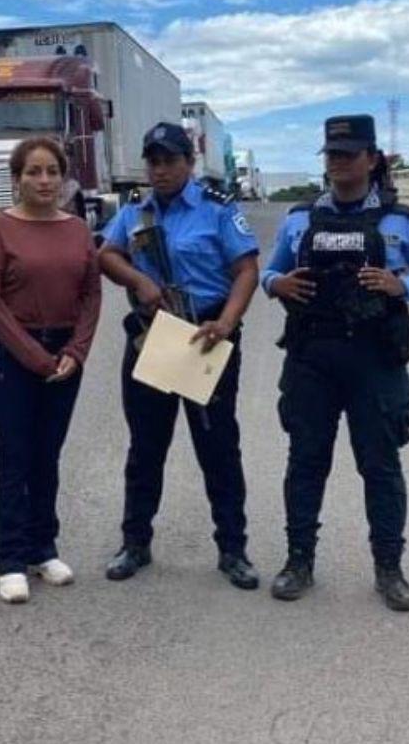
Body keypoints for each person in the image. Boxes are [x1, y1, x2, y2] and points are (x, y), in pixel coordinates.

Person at [261, 114, 409, 610]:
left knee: (381, 467)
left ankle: (390, 568)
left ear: (371, 159)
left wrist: (401, 285)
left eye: (348, 153)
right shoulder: (300, 218)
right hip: (312, 357)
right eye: (332, 154)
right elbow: (271, 270)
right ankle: (299, 560)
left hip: (374, 359)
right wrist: (276, 285)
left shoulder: (400, 220)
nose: (338, 162)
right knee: (305, 463)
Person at [98, 121, 261, 590]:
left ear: (189, 164)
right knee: (146, 447)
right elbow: (106, 254)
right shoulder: (135, 213)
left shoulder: (216, 211)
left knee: (218, 448)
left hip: (207, 336)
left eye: (171, 160)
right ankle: (135, 543)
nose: (161, 169)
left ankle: (233, 549)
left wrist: (226, 324)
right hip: (155, 337)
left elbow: (246, 270)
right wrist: (137, 280)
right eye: (154, 161)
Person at [0, 137, 102, 604]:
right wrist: (33, 355)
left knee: (48, 456)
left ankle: (42, 547)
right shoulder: (0, 229)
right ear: (17, 178)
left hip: (64, 355)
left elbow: (91, 295)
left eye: (52, 171)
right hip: (12, 357)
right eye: (33, 172)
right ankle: (9, 557)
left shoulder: (77, 229)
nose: (44, 181)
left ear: (64, 177)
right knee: (16, 457)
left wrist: (77, 351)